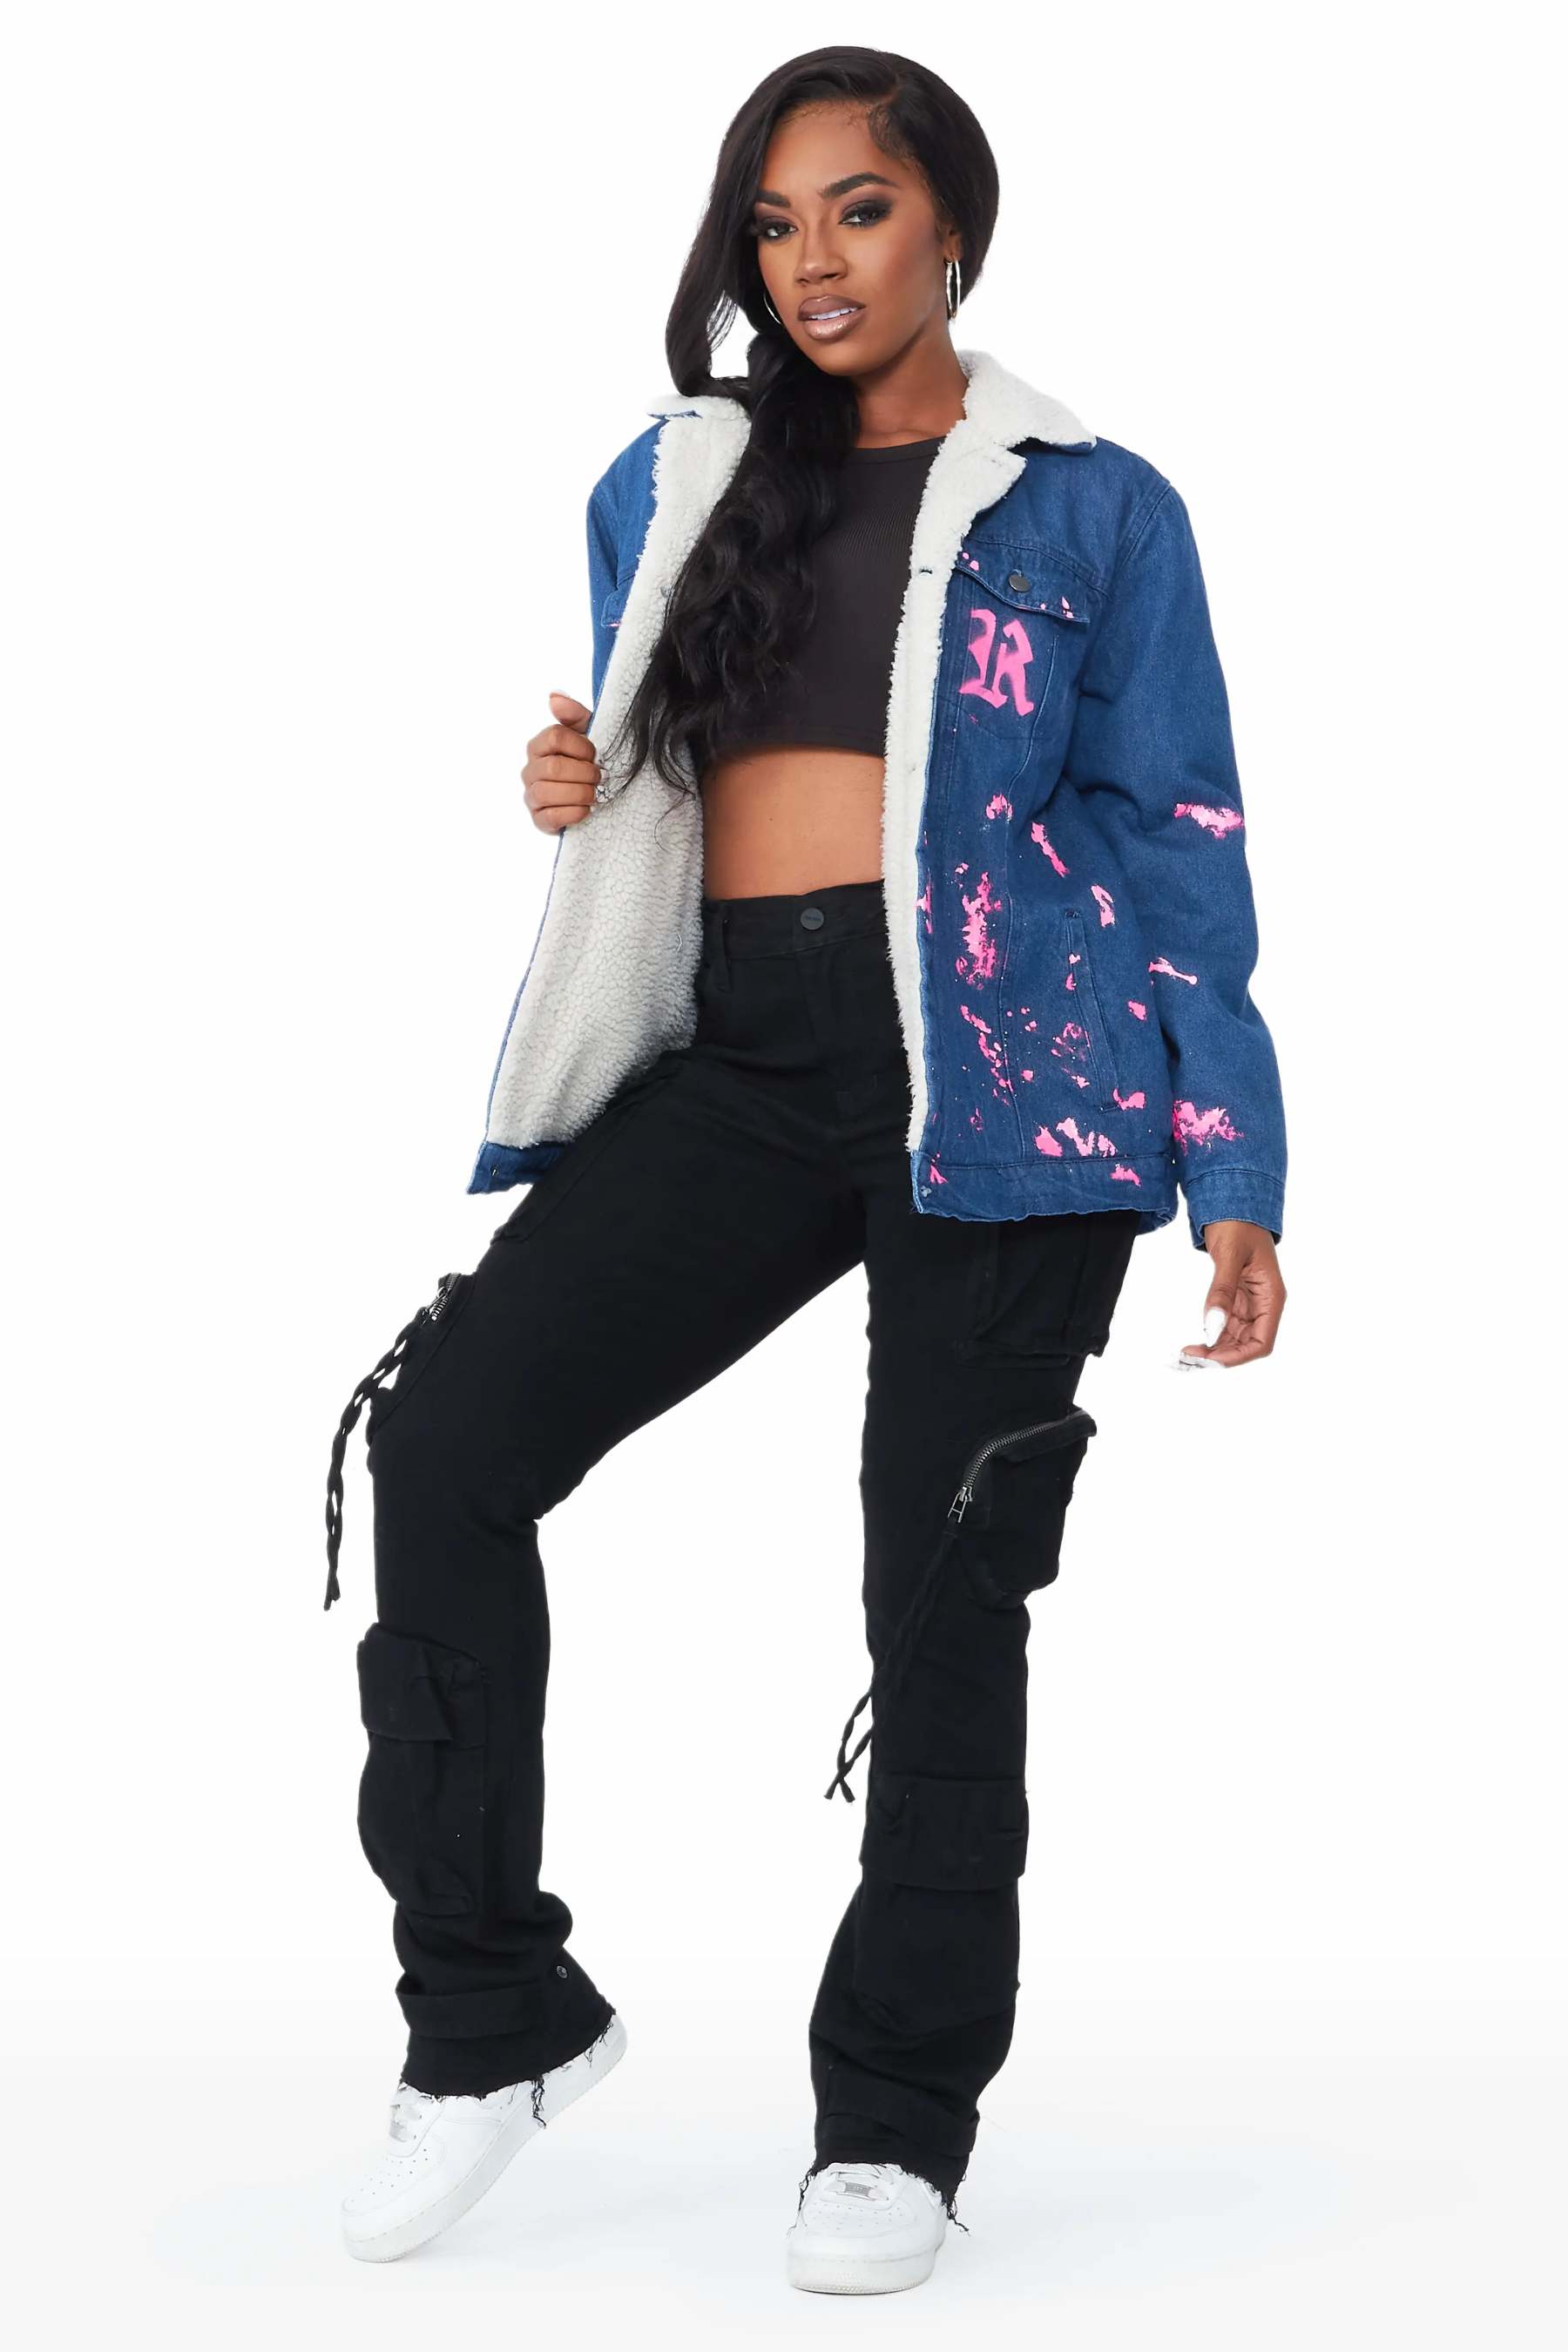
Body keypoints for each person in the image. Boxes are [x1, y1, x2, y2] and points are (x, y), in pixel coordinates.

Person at [322, 44, 1288, 2294]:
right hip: (745, 1059)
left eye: (859, 207)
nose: (815, 259)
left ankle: (896, 2125)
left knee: (938, 1588)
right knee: (449, 1443)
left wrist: (1233, 1148)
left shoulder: (1093, 504)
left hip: (1021, 1092)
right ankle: (491, 2021)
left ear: (954, 220)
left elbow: (1178, 831)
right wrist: (578, 773)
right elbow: (660, 766)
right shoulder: (672, 480)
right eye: (775, 222)